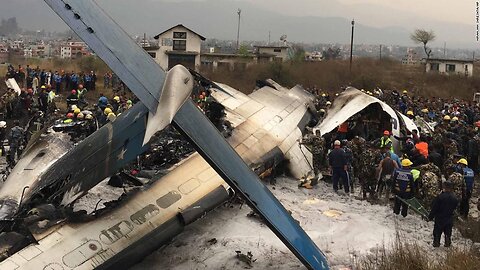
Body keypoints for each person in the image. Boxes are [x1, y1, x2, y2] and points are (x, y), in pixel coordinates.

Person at [428, 181, 458, 247]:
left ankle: (436, 243)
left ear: (444, 187)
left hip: (440, 218)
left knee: (437, 232)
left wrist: (430, 216)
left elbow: (434, 208)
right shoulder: (455, 198)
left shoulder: (440, 197)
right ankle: (447, 244)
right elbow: (455, 208)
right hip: (449, 218)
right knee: (448, 233)